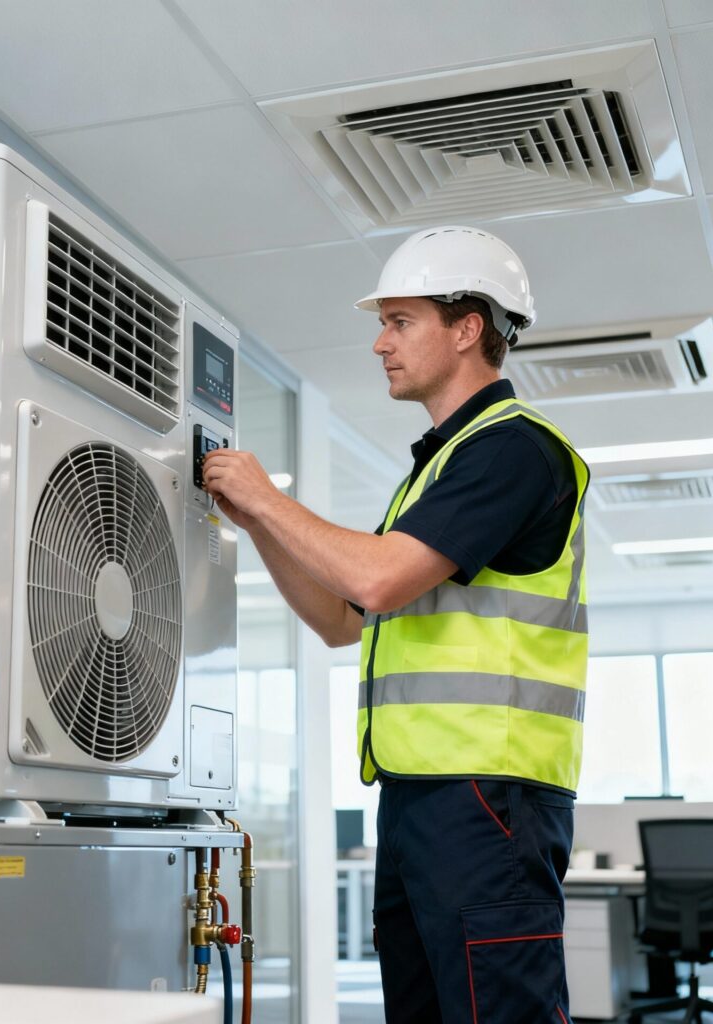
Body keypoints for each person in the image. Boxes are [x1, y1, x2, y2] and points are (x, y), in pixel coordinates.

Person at [203, 225, 589, 1024]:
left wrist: (270, 494)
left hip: (490, 797)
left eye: (400, 320)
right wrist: (258, 526)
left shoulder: (513, 450)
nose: (380, 342)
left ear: (467, 327)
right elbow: (343, 621)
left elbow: (376, 580)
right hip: (422, 798)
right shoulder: (437, 468)